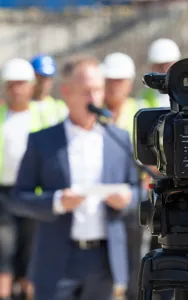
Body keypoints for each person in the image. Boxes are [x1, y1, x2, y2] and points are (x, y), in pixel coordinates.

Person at [12, 54, 139, 300]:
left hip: (104, 261)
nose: (94, 98)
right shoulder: (42, 141)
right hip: (56, 260)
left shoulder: (118, 139)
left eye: (98, 90)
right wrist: (57, 201)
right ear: (67, 91)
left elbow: (138, 189)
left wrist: (129, 198)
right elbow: (18, 197)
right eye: (86, 91)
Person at [102, 52, 145, 300]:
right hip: (98, 195)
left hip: (131, 194)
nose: (114, 86)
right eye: (110, 80)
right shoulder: (93, 113)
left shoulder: (138, 113)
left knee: (133, 250)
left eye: (120, 81)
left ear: (129, 83)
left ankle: (132, 293)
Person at [0, 58, 44, 300]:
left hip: (33, 195)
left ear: (30, 86)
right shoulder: (1, 116)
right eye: (12, 84)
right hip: (3, 193)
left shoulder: (43, 115)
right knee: (4, 253)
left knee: (31, 253)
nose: (16, 89)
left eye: (21, 84)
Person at [140, 38, 181, 108]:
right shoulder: (142, 100)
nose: (165, 70)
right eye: (160, 66)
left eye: (168, 65)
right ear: (152, 67)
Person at [30, 54, 68, 127]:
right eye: (40, 77)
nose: (45, 82)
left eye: (48, 77)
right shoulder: (21, 108)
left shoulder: (60, 107)